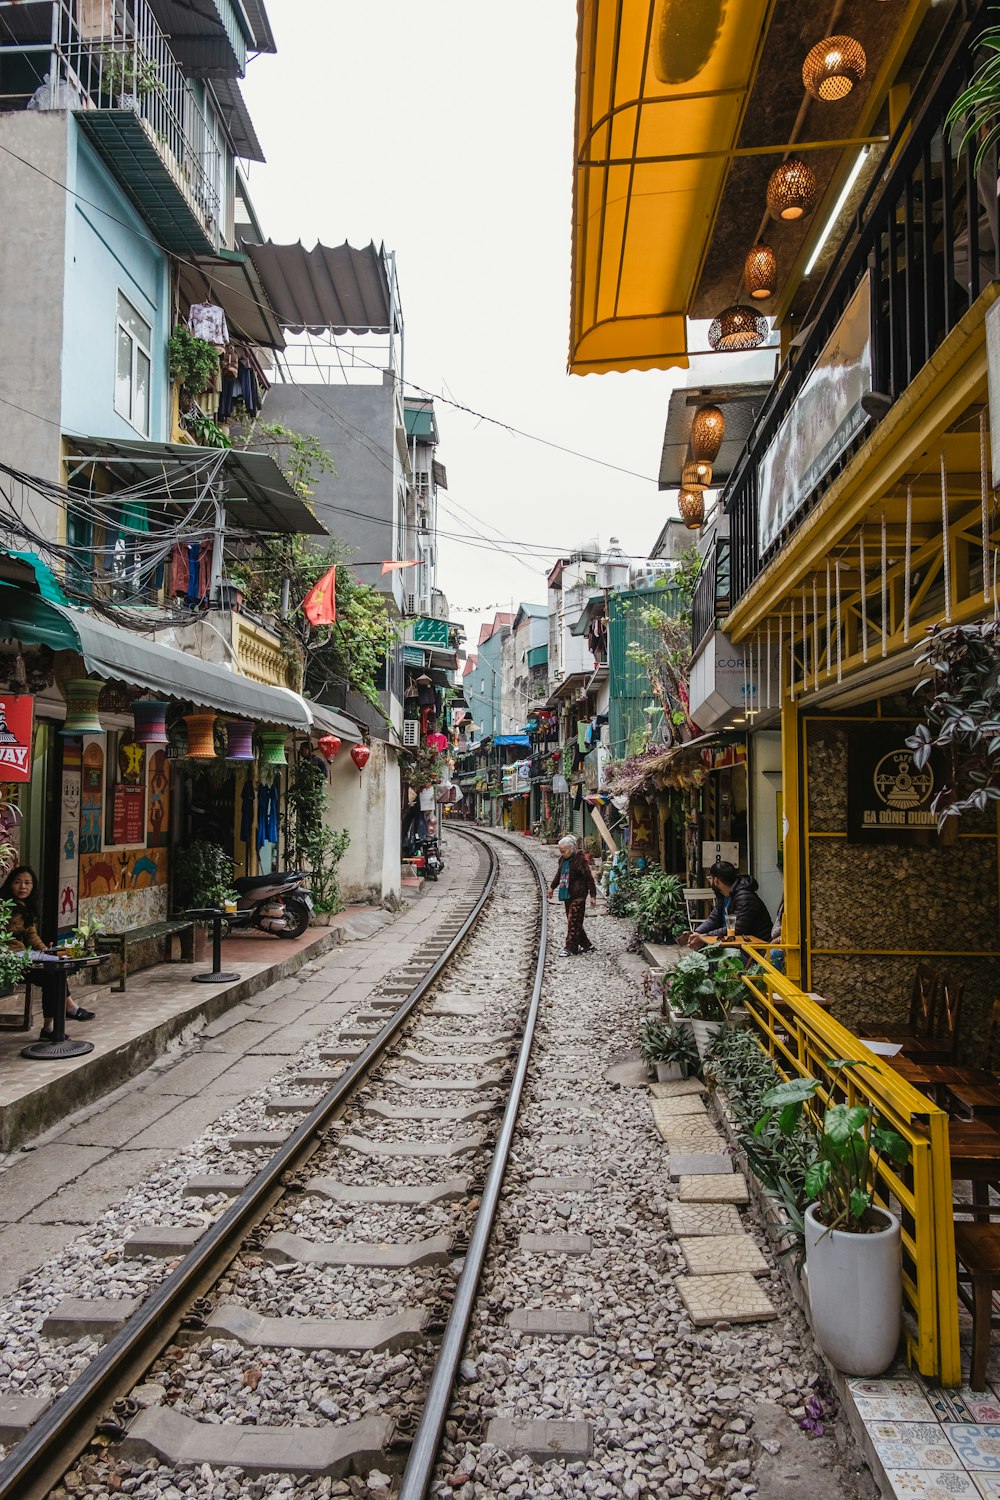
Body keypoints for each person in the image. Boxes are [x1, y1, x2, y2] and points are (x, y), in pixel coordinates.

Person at [0, 866, 95, 1038]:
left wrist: (44, 948)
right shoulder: (4, 906)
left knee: (54, 972)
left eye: (27, 883)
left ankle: (50, 1027)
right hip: (9, 959)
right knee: (53, 972)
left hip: (21, 957)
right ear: (10, 884)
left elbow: (31, 935)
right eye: (18, 882)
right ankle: (68, 1010)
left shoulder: (24, 907)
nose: (23, 887)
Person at [686, 860, 772, 949]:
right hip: (732, 943)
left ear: (716, 880)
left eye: (710, 878)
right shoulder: (722, 895)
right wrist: (697, 933)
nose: (710, 882)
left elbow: (737, 929)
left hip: (754, 947)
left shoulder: (745, 897)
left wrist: (704, 937)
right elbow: (714, 918)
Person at [548, 834, 597, 956]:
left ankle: (570, 947)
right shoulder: (562, 860)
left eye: (564, 851)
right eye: (561, 851)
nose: (562, 853)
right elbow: (559, 874)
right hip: (567, 894)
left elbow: (589, 878)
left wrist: (593, 895)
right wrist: (552, 887)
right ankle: (586, 944)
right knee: (574, 921)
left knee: (572, 921)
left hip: (579, 895)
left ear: (571, 849)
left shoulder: (580, 860)